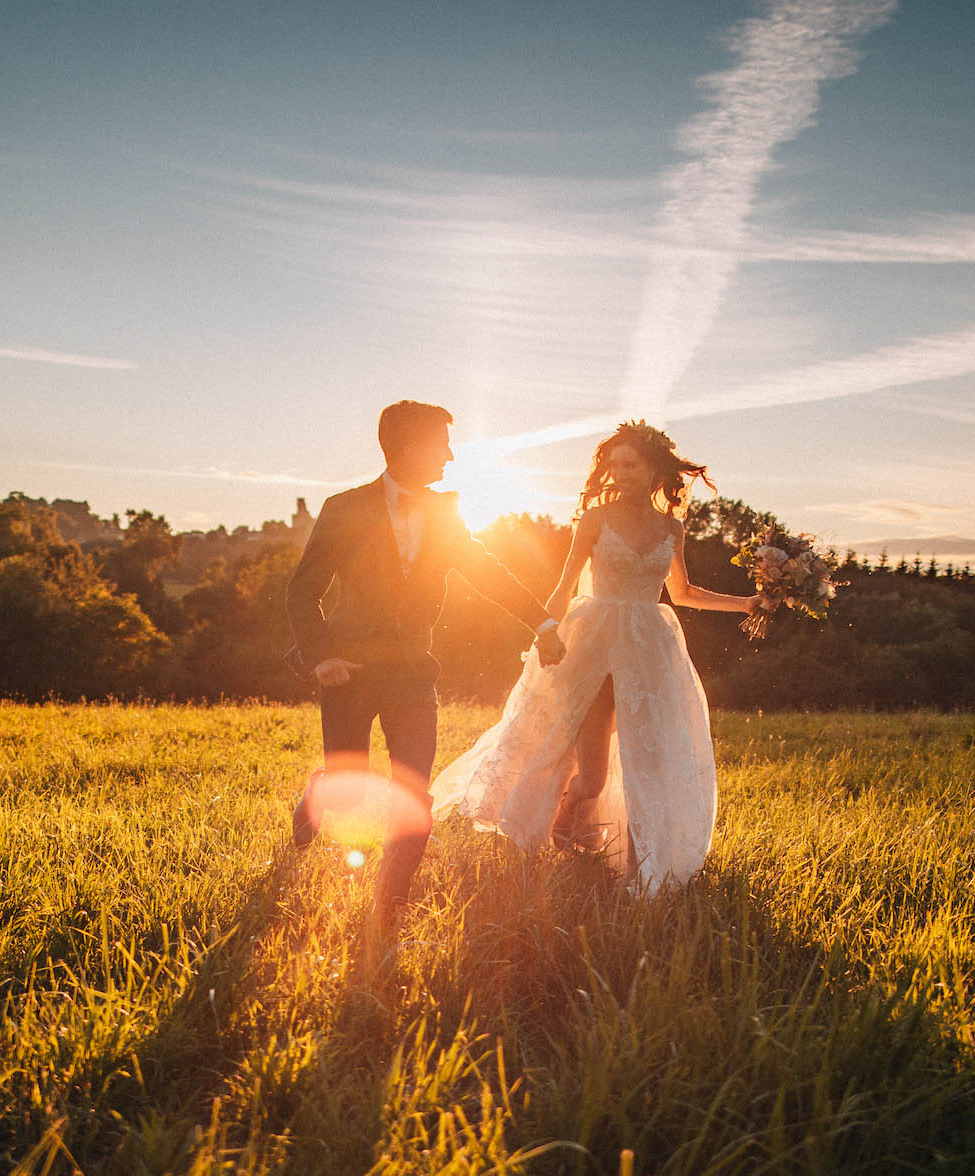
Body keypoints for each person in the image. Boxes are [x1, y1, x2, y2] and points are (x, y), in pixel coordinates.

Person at [285, 400, 567, 964]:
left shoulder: (445, 512)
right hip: (348, 671)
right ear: (405, 445)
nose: (449, 454)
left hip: (414, 673)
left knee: (414, 794)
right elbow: (303, 589)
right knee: (353, 788)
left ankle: (387, 912)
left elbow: (485, 569)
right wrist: (320, 657)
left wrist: (539, 620)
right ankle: (319, 794)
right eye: (440, 442)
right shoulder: (344, 508)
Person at [431, 420, 764, 893]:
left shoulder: (672, 527)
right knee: (591, 775)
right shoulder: (595, 519)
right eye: (615, 466)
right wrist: (546, 632)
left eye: (631, 465)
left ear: (654, 469)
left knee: (647, 764)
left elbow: (683, 593)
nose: (621, 474)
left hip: (649, 649)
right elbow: (565, 584)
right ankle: (568, 821)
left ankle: (639, 868)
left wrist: (745, 603)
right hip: (593, 646)